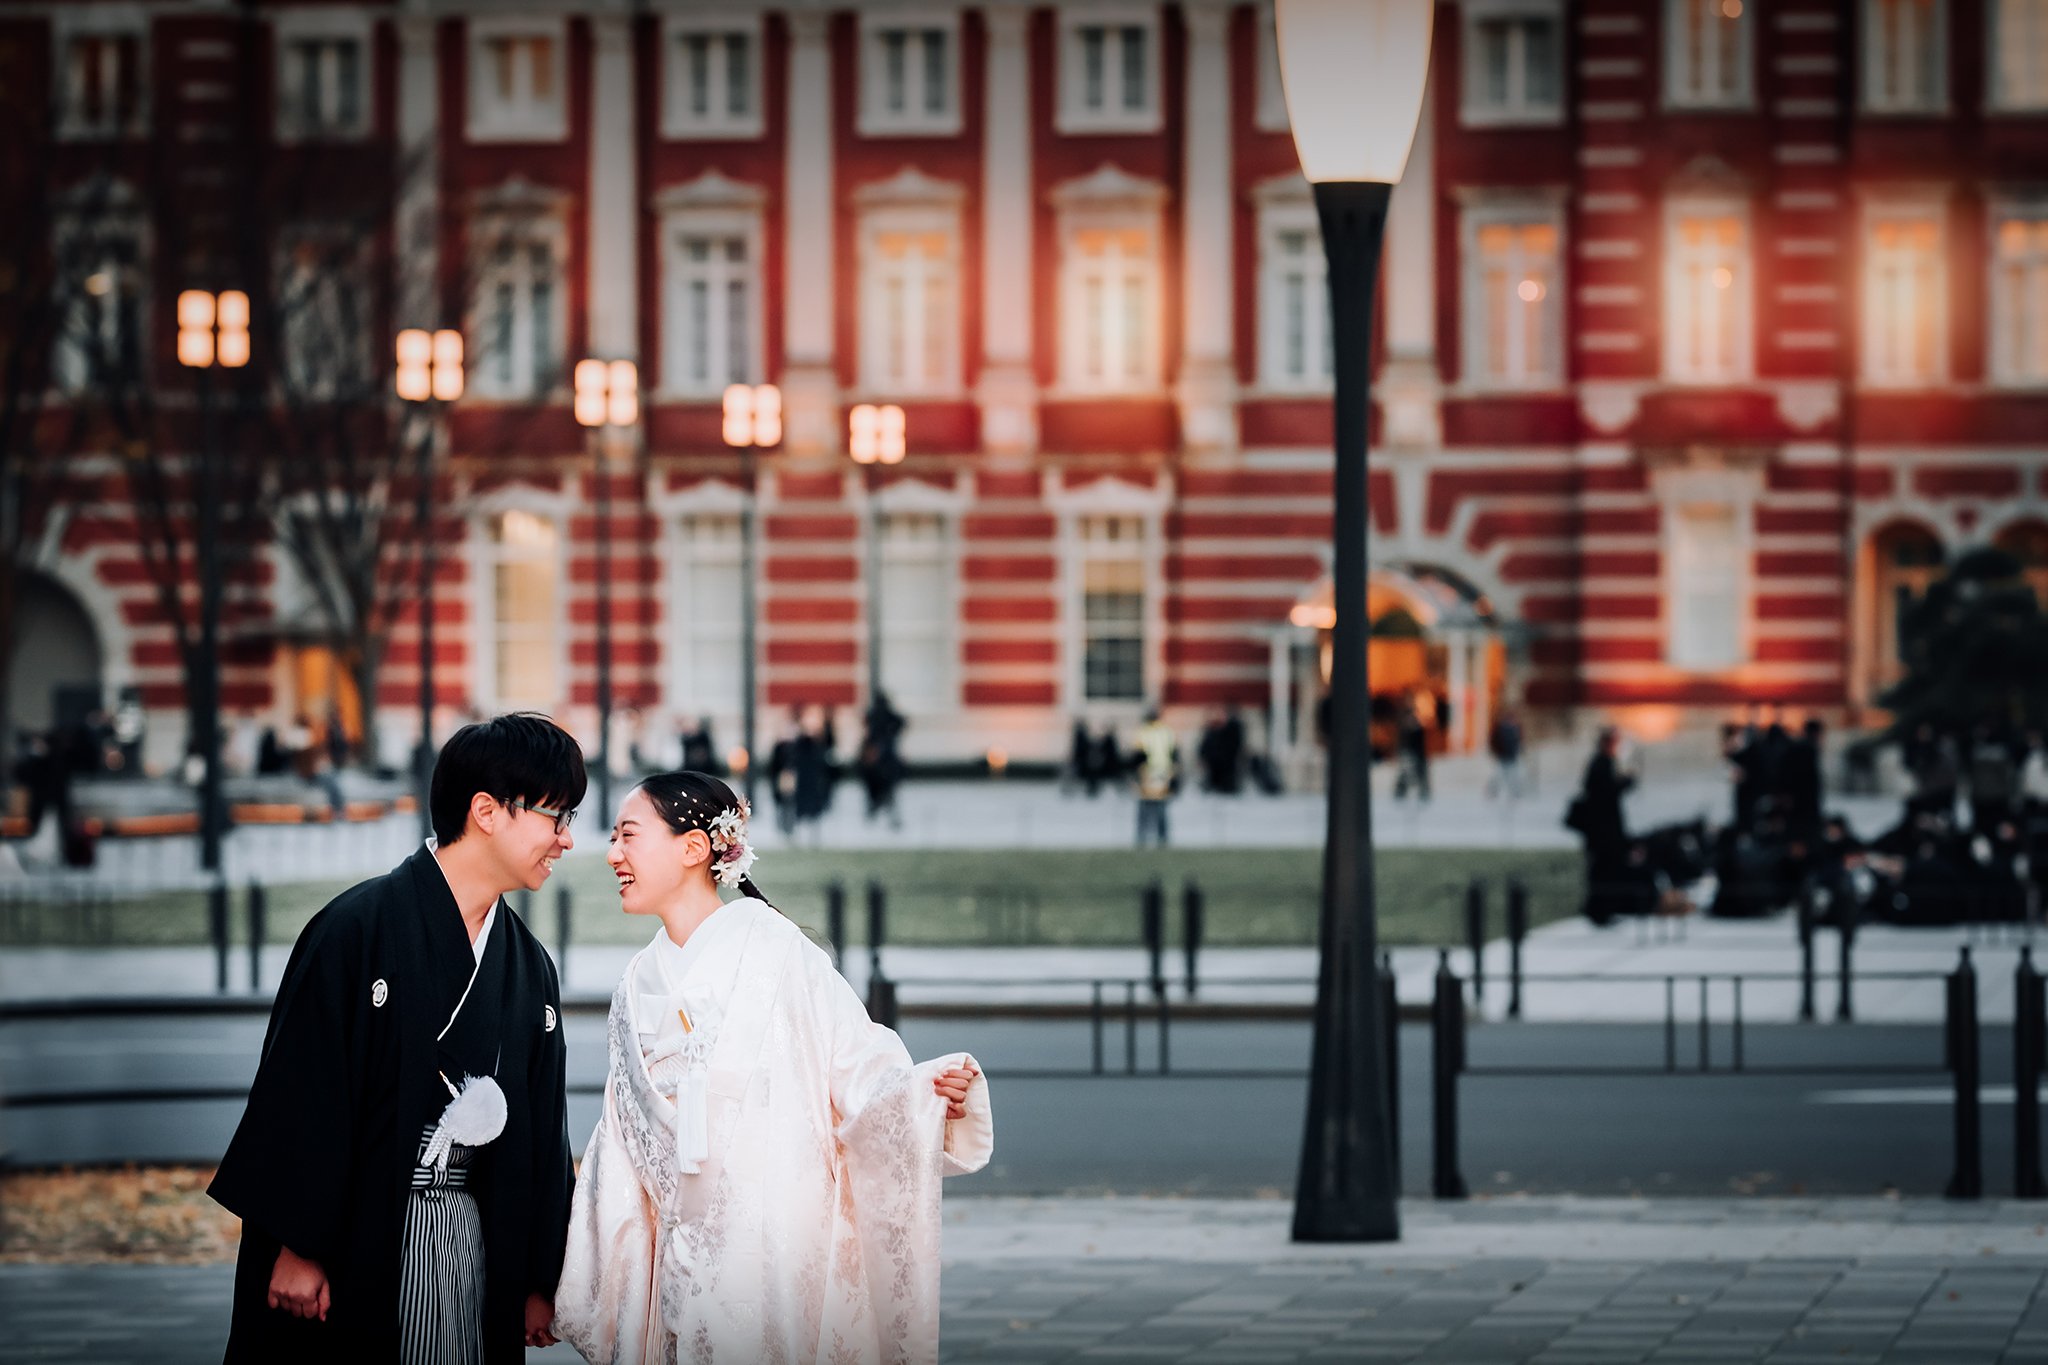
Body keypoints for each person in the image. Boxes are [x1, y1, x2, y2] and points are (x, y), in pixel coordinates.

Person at [553, 772, 991, 1363]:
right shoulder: (635, 986)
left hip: (777, 1264)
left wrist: (925, 1097)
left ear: (693, 848)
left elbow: (858, 1067)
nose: (611, 855)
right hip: (674, 1280)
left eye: (628, 836)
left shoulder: (779, 952)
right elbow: (619, 1151)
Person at [209, 713, 584, 1363]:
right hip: (358, 1237)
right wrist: (297, 1244)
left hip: (472, 1242)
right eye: (557, 816)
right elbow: (303, 1093)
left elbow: (543, 1131)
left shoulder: (528, 964)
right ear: (488, 811)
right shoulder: (355, 931)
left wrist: (535, 1276)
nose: (566, 840)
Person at [1571, 727, 1635, 924]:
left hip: (1602, 830)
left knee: (1602, 870)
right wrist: (1625, 782)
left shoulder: (1602, 763)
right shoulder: (1602, 764)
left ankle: (1603, 908)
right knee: (1602, 870)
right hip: (1602, 831)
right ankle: (1600, 910)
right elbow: (1605, 793)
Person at [859, 691, 907, 829]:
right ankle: (886, 814)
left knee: (880, 791)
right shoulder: (886, 718)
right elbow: (901, 723)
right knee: (888, 791)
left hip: (879, 762)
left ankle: (875, 811)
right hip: (886, 762)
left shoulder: (874, 717)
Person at [1132, 709, 1178, 847]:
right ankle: (1162, 837)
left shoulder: (1144, 732)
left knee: (1145, 807)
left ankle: (1142, 837)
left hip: (1147, 773)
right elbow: (1173, 754)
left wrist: (1135, 775)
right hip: (1163, 773)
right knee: (1161, 807)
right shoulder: (1167, 732)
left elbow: (1138, 756)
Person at [1487, 712, 1525, 799]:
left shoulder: (1515, 729)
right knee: (1500, 776)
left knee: (1512, 775)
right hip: (1504, 756)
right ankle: (1493, 791)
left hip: (1511, 756)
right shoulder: (1502, 729)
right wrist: (1496, 752)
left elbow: (1518, 742)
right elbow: (1495, 741)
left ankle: (1515, 792)